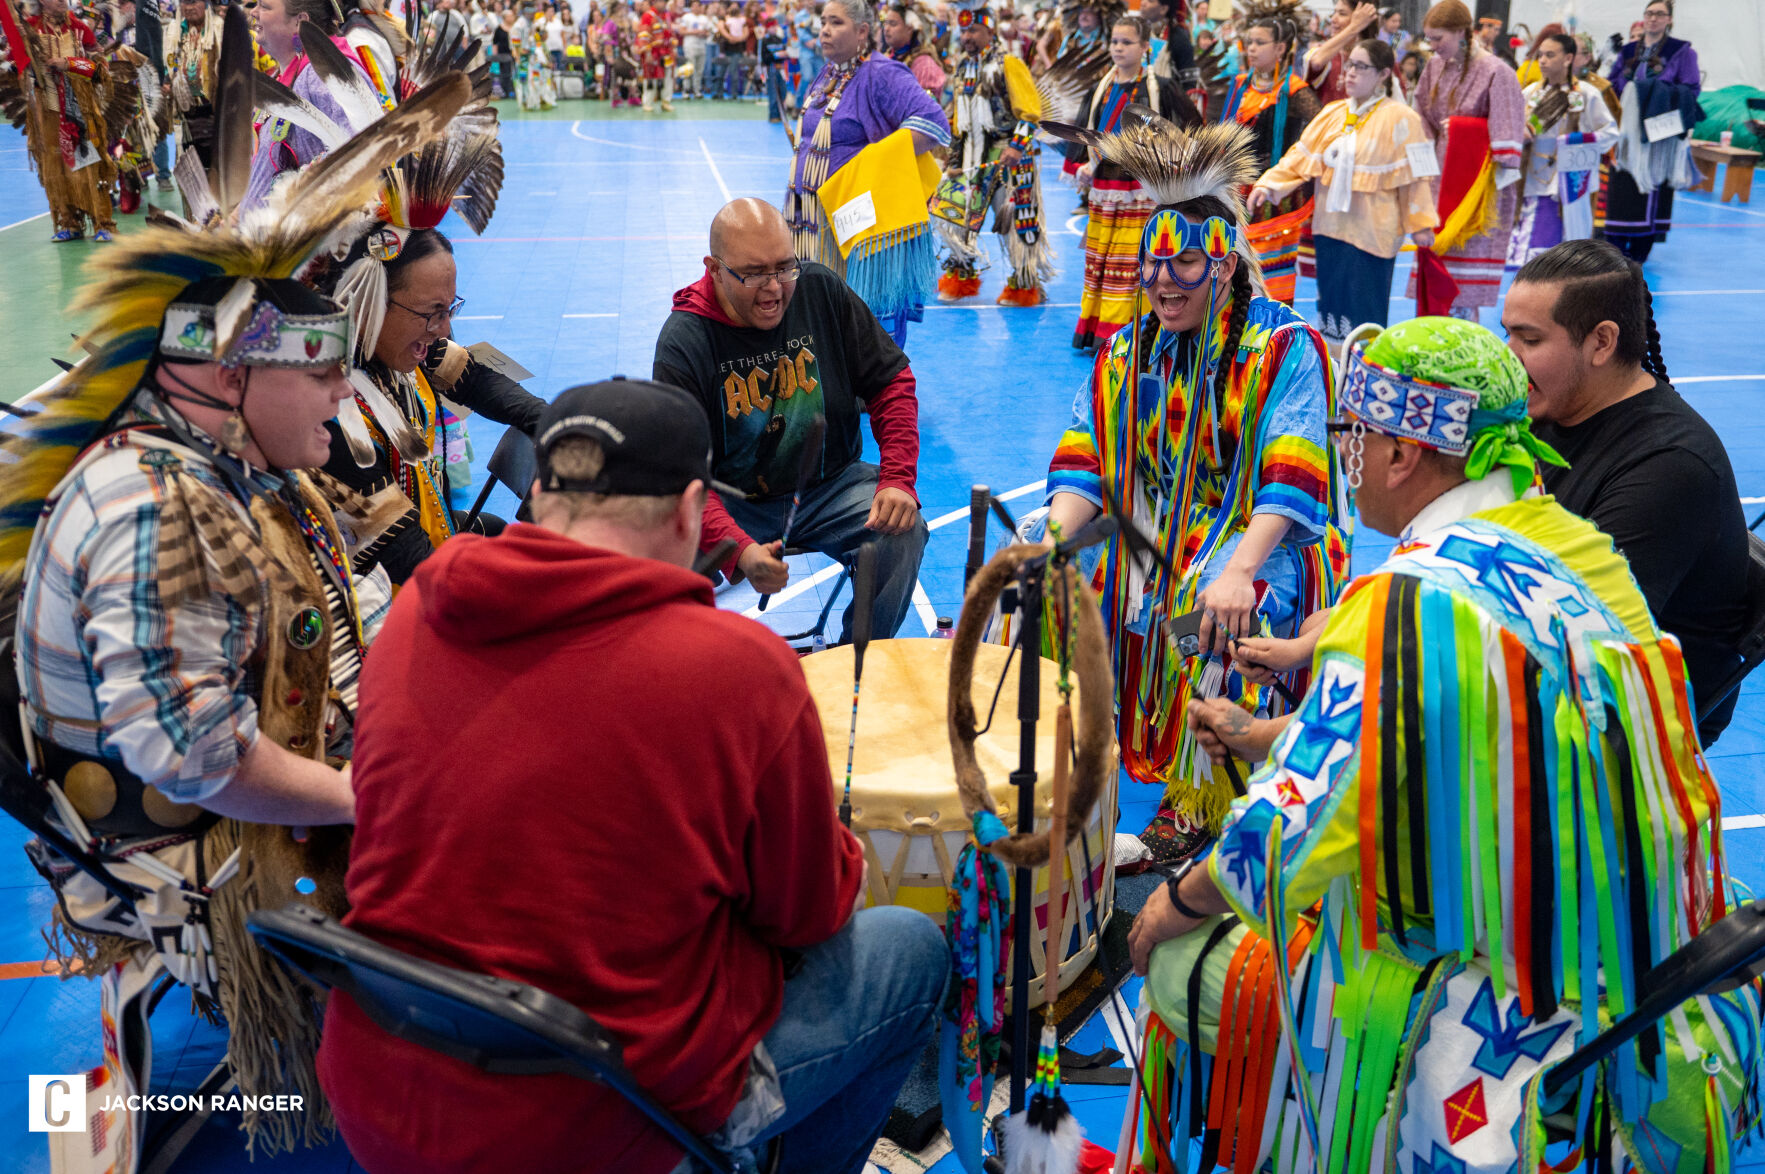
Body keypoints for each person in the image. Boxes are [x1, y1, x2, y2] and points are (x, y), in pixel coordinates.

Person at [1135, 314, 1759, 1174]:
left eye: (1350, 435)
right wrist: (1267, 734)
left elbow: (1291, 834)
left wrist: (1175, 901)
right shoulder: (1583, 547)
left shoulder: (1403, 599)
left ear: (1403, 455)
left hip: (1514, 1022)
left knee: (1180, 965)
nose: (1341, 457)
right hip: (1657, 982)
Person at [0, 64, 469, 1149]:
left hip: (242, 774)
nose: (345, 400)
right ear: (228, 377)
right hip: (182, 843)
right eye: (323, 378)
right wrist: (370, 799)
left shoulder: (229, 468)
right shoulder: (154, 504)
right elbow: (192, 758)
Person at [318, 378, 949, 1174]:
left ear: (540, 494)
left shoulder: (417, 615)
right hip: (591, 1123)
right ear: (691, 512)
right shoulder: (734, 671)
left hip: (382, 1086)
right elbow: (808, 913)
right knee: (906, 950)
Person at [1040, 117, 1344, 862]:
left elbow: (1290, 469)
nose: (1161, 284)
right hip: (1158, 529)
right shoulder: (1129, 347)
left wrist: (1238, 567)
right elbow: (1087, 457)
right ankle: (1073, 749)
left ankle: (1203, 792)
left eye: (1182, 268)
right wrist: (1051, 534)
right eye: (1151, 266)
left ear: (1225, 268)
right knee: (1054, 578)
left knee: (1207, 608)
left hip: (1264, 538)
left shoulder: (1280, 347)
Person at [1504, 240, 1748, 744]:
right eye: (1507, 335)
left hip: (1633, 721)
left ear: (1601, 342)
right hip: (1559, 666)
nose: (1509, 358)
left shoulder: (1671, 468)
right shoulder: (1551, 407)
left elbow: (1569, 633)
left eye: (1529, 340)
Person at [654, 198, 927, 641]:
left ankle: (858, 662)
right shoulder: (684, 341)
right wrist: (739, 550)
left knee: (902, 530)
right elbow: (683, 476)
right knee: (660, 562)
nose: (775, 289)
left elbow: (891, 380)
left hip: (831, 487)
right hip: (733, 501)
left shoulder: (820, 290)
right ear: (715, 268)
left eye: (785, 267)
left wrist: (897, 477)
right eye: (754, 273)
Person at [316, 87, 546, 586]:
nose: (443, 330)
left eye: (449, 310)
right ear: (368, 302)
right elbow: (408, 559)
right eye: (431, 313)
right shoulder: (333, 409)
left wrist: (556, 423)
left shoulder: (396, 346)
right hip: (381, 602)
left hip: (431, 538)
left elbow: (476, 380)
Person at [1250, 37, 1436, 343]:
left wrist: (1420, 223)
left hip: (1373, 234)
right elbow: (1300, 155)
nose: (1349, 73)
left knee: (1364, 312)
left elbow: (1416, 178)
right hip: (1330, 229)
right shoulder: (1332, 113)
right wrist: (1270, 182)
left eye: (1361, 67)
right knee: (1331, 311)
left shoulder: (1403, 119)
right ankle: (1335, 373)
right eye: (1349, 65)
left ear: (1383, 75)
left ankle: (1366, 372)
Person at [786, 0, 950, 345]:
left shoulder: (881, 73)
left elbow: (934, 124)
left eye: (836, 22)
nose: (825, 29)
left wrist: (870, 165)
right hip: (816, 223)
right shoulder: (830, 71)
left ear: (862, 31)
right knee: (827, 327)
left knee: (866, 331)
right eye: (824, 21)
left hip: (858, 230)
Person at [1067, 14, 1202, 351]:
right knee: (1102, 259)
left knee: (1132, 261)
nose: (1118, 48)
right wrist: (1085, 163)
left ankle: (1132, 330)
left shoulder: (1158, 88)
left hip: (1140, 191)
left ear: (1145, 47)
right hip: (1105, 190)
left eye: (1126, 42)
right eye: (1114, 42)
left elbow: (1189, 128)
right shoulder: (1103, 87)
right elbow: (1088, 130)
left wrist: (1172, 159)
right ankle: (1098, 328)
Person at [1406, 0, 1525, 321]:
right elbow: (1420, 122)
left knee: (1460, 291)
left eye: (1438, 39)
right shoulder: (1433, 67)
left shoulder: (1498, 72)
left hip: (1476, 192)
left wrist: (1464, 129)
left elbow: (1510, 138)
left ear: (1461, 33)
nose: (1431, 47)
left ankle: (1461, 349)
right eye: (1428, 38)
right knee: (1434, 273)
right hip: (1436, 181)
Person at [936, 6, 1053, 308]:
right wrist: (953, 155)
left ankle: (1025, 283)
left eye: (973, 30)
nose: (967, 37)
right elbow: (960, 117)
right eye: (963, 32)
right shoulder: (963, 67)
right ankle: (960, 277)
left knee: (1013, 222)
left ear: (990, 31)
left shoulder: (1009, 64)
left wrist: (1016, 146)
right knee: (958, 218)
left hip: (1007, 159)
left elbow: (1030, 112)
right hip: (971, 157)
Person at [1219, 4, 1320, 306]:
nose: (1251, 48)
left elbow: (1319, 134)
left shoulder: (1295, 91)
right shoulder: (1240, 85)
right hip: (1235, 194)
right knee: (1232, 270)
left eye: (1260, 43)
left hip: (1275, 200)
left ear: (1280, 48)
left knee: (1272, 277)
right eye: (1249, 42)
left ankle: (1272, 339)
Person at [1, 0, 120, 241]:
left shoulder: (79, 30)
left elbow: (101, 70)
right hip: (47, 110)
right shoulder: (29, 30)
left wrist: (69, 64)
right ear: (42, 2)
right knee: (55, 167)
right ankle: (69, 222)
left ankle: (103, 223)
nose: (62, 2)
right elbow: (13, 66)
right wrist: (26, 70)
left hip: (80, 108)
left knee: (88, 165)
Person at [1505, 33, 1619, 268]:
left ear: (1568, 58)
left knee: (1560, 256)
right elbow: (1510, 131)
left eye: (1550, 55)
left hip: (1569, 184)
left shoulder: (1587, 94)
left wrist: (1577, 140)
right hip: (1530, 182)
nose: (1543, 61)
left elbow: (1610, 133)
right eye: (1540, 55)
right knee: (1529, 257)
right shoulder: (1530, 94)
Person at [246, 0, 373, 208]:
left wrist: (293, 194)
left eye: (265, 7)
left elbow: (358, 158)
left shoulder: (327, 78)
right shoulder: (289, 72)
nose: (254, 12)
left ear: (300, 22)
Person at [1604, 0, 1699, 263]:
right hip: (1625, 133)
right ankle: (1616, 246)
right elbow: (1611, 85)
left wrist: (1653, 93)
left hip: (1657, 136)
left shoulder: (1682, 52)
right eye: (1649, 13)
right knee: (1621, 190)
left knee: (1649, 192)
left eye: (1660, 14)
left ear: (1669, 20)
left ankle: (1639, 251)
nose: (1653, 18)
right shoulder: (1628, 51)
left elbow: (1691, 89)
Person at [166, 0, 221, 174]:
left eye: (193, 1)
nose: (188, 7)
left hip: (217, 112)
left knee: (219, 172)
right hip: (187, 114)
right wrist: (170, 82)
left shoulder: (220, 30)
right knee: (193, 174)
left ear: (205, 4)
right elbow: (169, 63)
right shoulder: (173, 33)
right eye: (184, 2)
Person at [1301, 0, 1375, 106]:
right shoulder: (1326, 53)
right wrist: (1354, 27)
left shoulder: (1376, 57)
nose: (1333, 19)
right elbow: (1317, 62)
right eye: (1334, 13)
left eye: (1342, 14)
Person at [881, 1, 944, 97]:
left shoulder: (925, 66)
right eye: (885, 23)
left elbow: (924, 108)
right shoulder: (885, 59)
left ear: (909, 28)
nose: (886, 28)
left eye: (893, 24)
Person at [677, 0, 710, 96]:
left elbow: (708, 32)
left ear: (700, 7)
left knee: (699, 70)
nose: (695, 8)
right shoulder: (686, 17)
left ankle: (697, 90)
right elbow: (681, 31)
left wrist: (704, 33)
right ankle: (686, 90)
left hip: (702, 46)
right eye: (694, 6)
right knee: (689, 68)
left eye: (697, 6)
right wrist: (695, 32)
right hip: (690, 46)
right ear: (691, 7)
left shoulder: (704, 18)